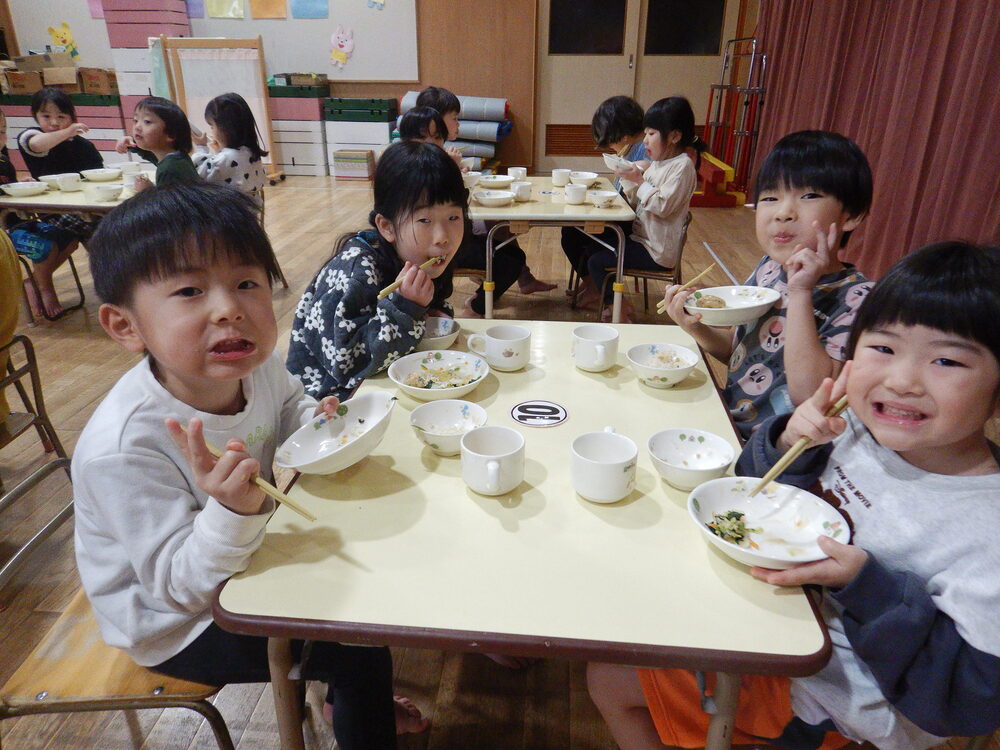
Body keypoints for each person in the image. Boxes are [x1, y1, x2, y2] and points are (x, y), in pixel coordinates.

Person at [590, 241, 1000, 749]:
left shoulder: (987, 530)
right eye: (883, 348)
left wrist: (865, 585)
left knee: (609, 675)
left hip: (827, 697)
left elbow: (968, 700)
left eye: (946, 361)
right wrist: (790, 441)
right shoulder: (853, 427)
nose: (902, 381)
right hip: (773, 617)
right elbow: (754, 494)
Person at [73, 182, 428, 748]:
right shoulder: (123, 446)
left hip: (242, 552)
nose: (229, 310)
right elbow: (175, 589)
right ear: (126, 325)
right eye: (189, 291)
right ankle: (352, 697)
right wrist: (230, 510)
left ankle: (349, 698)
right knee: (360, 645)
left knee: (375, 563)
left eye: (246, 283)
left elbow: (288, 405)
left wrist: (318, 418)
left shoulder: (248, 365)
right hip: (177, 625)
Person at [661, 130, 873, 438]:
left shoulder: (859, 299)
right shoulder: (770, 269)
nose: (783, 213)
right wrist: (693, 325)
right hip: (728, 421)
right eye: (770, 198)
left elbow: (810, 396)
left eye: (809, 195)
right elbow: (738, 354)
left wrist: (800, 292)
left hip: (776, 451)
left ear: (851, 215)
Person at [287, 140, 463, 400]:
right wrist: (406, 308)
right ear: (387, 226)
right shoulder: (354, 272)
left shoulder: (423, 256)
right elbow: (349, 364)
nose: (443, 237)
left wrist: (430, 311)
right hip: (330, 403)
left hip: (386, 382)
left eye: (454, 218)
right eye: (424, 220)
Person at [397, 107, 554, 318]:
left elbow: (455, 209)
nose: (432, 143)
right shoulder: (410, 170)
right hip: (426, 248)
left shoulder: (433, 165)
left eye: (436, 137)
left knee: (508, 250)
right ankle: (477, 307)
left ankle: (481, 300)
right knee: (508, 257)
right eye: (422, 137)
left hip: (447, 242)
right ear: (407, 139)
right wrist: (450, 171)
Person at [565, 96, 702, 323]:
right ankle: (613, 302)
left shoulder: (682, 167)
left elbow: (663, 207)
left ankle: (619, 310)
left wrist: (638, 180)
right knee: (591, 244)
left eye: (651, 134)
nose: (645, 141)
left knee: (597, 261)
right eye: (645, 133)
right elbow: (637, 203)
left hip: (657, 251)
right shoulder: (660, 163)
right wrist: (628, 178)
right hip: (642, 238)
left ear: (674, 136)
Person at [16, 87, 104, 318]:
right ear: (35, 116)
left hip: (81, 206)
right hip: (50, 210)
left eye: (61, 117)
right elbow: (38, 145)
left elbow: (97, 172)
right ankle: (46, 288)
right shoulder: (30, 136)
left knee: (105, 228)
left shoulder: (81, 145)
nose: (54, 123)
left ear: (71, 117)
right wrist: (68, 131)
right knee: (97, 234)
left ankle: (34, 283)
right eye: (46, 116)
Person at [563, 95, 648, 302]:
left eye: (610, 140)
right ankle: (594, 285)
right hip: (630, 218)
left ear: (624, 136)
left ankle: (598, 288)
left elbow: (636, 198)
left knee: (573, 233)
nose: (609, 146)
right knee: (572, 232)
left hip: (637, 227)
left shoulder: (643, 152)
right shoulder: (630, 149)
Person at [191, 92, 267, 205]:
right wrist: (219, 152)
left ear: (225, 128)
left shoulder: (226, 157)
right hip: (249, 212)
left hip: (229, 215)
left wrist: (201, 147)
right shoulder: (250, 152)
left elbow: (199, 173)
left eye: (212, 126)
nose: (212, 130)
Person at [115, 96, 199, 191]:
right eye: (135, 120)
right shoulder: (174, 157)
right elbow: (151, 155)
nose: (137, 126)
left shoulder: (170, 169)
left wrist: (148, 191)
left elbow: (168, 204)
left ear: (170, 134)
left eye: (147, 122)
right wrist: (131, 143)